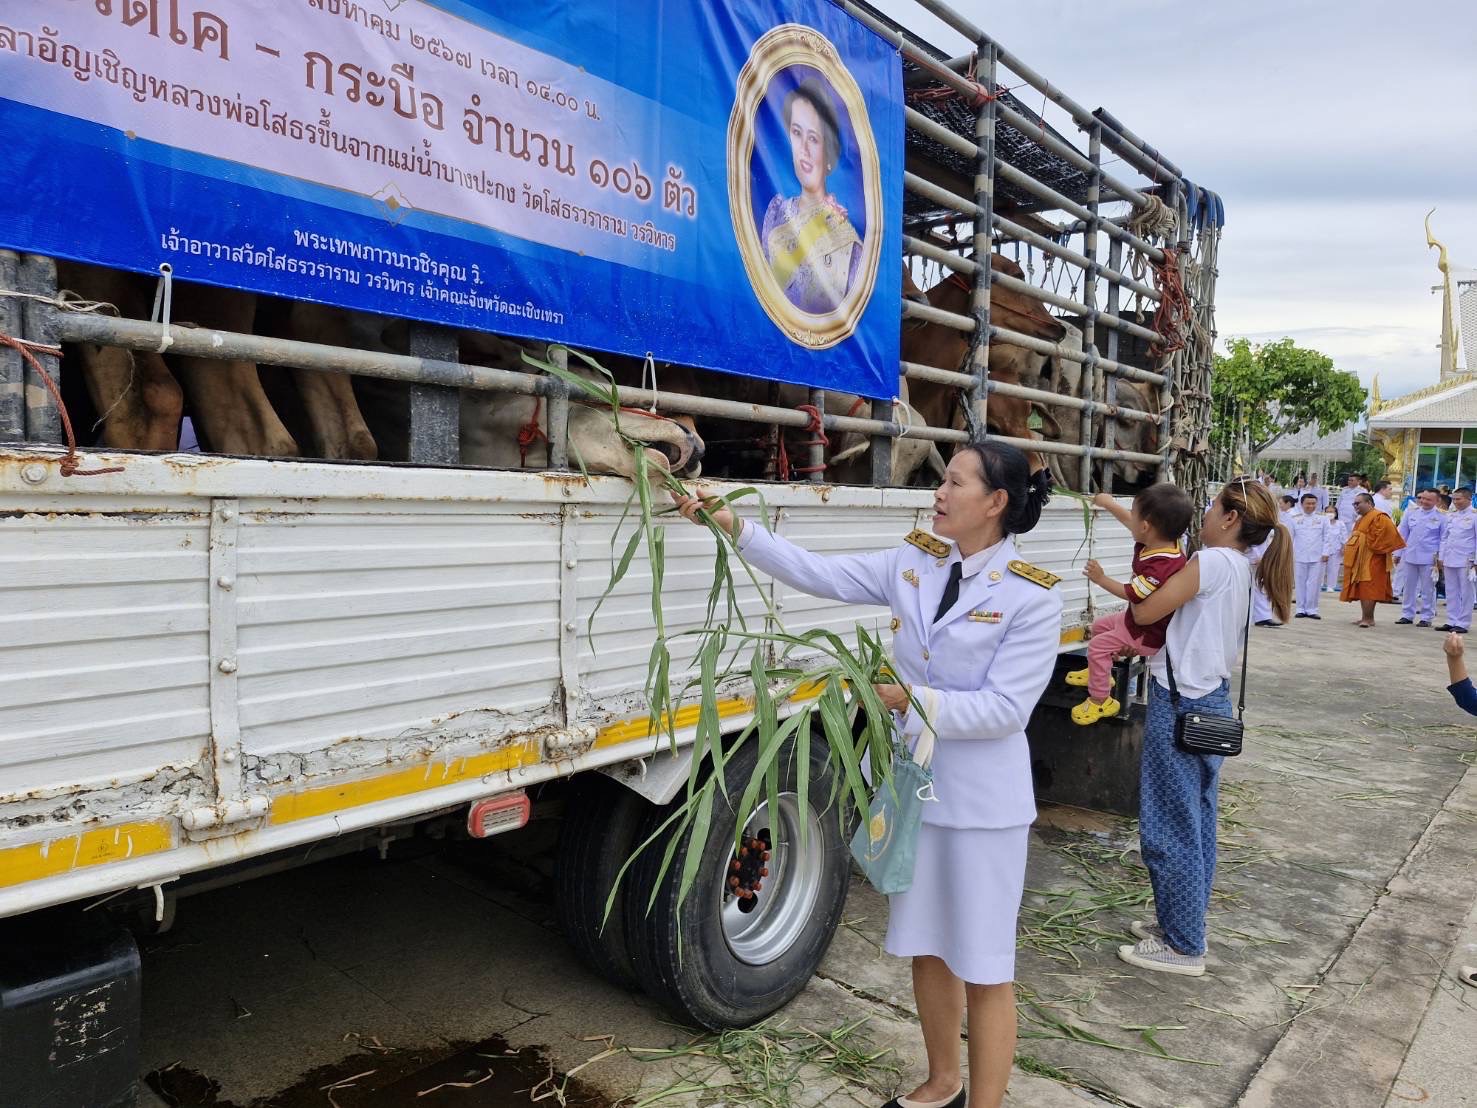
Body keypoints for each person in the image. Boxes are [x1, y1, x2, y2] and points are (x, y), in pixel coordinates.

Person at [676, 441, 1059, 1108]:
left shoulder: (1030, 596)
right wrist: (733, 525)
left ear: (994, 503)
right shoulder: (916, 560)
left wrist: (913, 701)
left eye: (955, 483)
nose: (938, 492)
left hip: (982, 810)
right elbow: (818, 573)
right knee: (927, 948)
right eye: (942, 479)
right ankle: (942, 1082)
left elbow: (1005, 710)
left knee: (984, 966)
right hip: (914, 792)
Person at [1115, 476, 1291, 977]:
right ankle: (1180, 923)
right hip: (1208, 699)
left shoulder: (1211, 560)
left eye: (1213, 507)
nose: (1205, 516)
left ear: (1231, 518)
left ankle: (1184, 945)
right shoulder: (1240, 565)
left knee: (1170, 825)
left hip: (1182, 701)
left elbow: (1147, 608)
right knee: (1197, 823)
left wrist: (1140, 566)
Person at [1067, 484, 1194, 725]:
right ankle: (1100, 673)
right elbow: (1130, 521)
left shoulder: (1160, 565)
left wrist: (1101, 579)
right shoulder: (1163, 542)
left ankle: (1100, 699)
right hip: (1133, 622)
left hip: (1145, 634)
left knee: (1097, 645)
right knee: (1099, 627)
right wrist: (1110, 504)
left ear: (1145, 526)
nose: (1130, 519)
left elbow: (1133, 594)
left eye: (1134, 515)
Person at [762, 78, 862, 315]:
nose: (803, 149)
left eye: (814, 138)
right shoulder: (775, 214)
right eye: (796, 133)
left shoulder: (849, 242)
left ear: (829, 153)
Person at [1342, 492, 1406, 627]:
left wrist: (1366, 542)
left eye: (1358, 503)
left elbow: (1386, 536)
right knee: (1362, 588)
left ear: (1369, 503)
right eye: (1354, 504)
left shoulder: (1379, 517)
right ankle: (1366, 617)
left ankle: (1369, 618)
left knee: (1369, 588)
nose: (1355, 506)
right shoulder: (1361, 519)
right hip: (1360, 558)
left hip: (1373, 558)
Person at [1394, 488, 1447, 627]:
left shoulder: (1442, 516)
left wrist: (1441, 558)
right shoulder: (1411, 512)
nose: (1424, 501)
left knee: (1428, 588)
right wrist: (1398, 554)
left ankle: (1426, 616)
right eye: (1422, 498)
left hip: (1430, 557)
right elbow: (1402, 534)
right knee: (1409, 586)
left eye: (1428, 499)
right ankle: (1407, 614)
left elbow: (1443, 539)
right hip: (1410, 554)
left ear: (1437, 501)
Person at [1438, 487, 1476, 633]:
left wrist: (1476, 561)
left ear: (1468, 499)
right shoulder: (1451, 515)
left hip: (1466, 558)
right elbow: (1444, 537)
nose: (1455, 502)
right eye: (1454, 499)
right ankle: (1451, 619)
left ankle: (1463, 622)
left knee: (1466, 592)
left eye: (1458, 499)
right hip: (1450, 556)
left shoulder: (1474, 516)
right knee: (1451, 590)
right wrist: (1441, 557)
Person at [1289, 492, 1331, 618]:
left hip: (1317, 555)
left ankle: (1312, 609)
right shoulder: (1295, 519)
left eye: (1313, 503)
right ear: (1302, 504)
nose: (1310, 506)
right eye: (1308, 503)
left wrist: (1325, 552)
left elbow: (1327, 537)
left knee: (1314, 583)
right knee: (1300, 582)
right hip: (1299, 554)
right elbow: (1291, 537)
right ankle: (1300, 608)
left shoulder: (1323, 518)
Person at [1322, 503, 1348, 592]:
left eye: (1331, 511)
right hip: (1322, 550)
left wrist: (1343, 547)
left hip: (1336, 549)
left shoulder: (1340, 524)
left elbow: (1344, 537)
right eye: (1327, 511)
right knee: (1320, 569)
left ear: (1336, 513)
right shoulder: (1321, 523)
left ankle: (1331, 586)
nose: (1329, 513)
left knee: (1333, 569)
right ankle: (1319, 584)